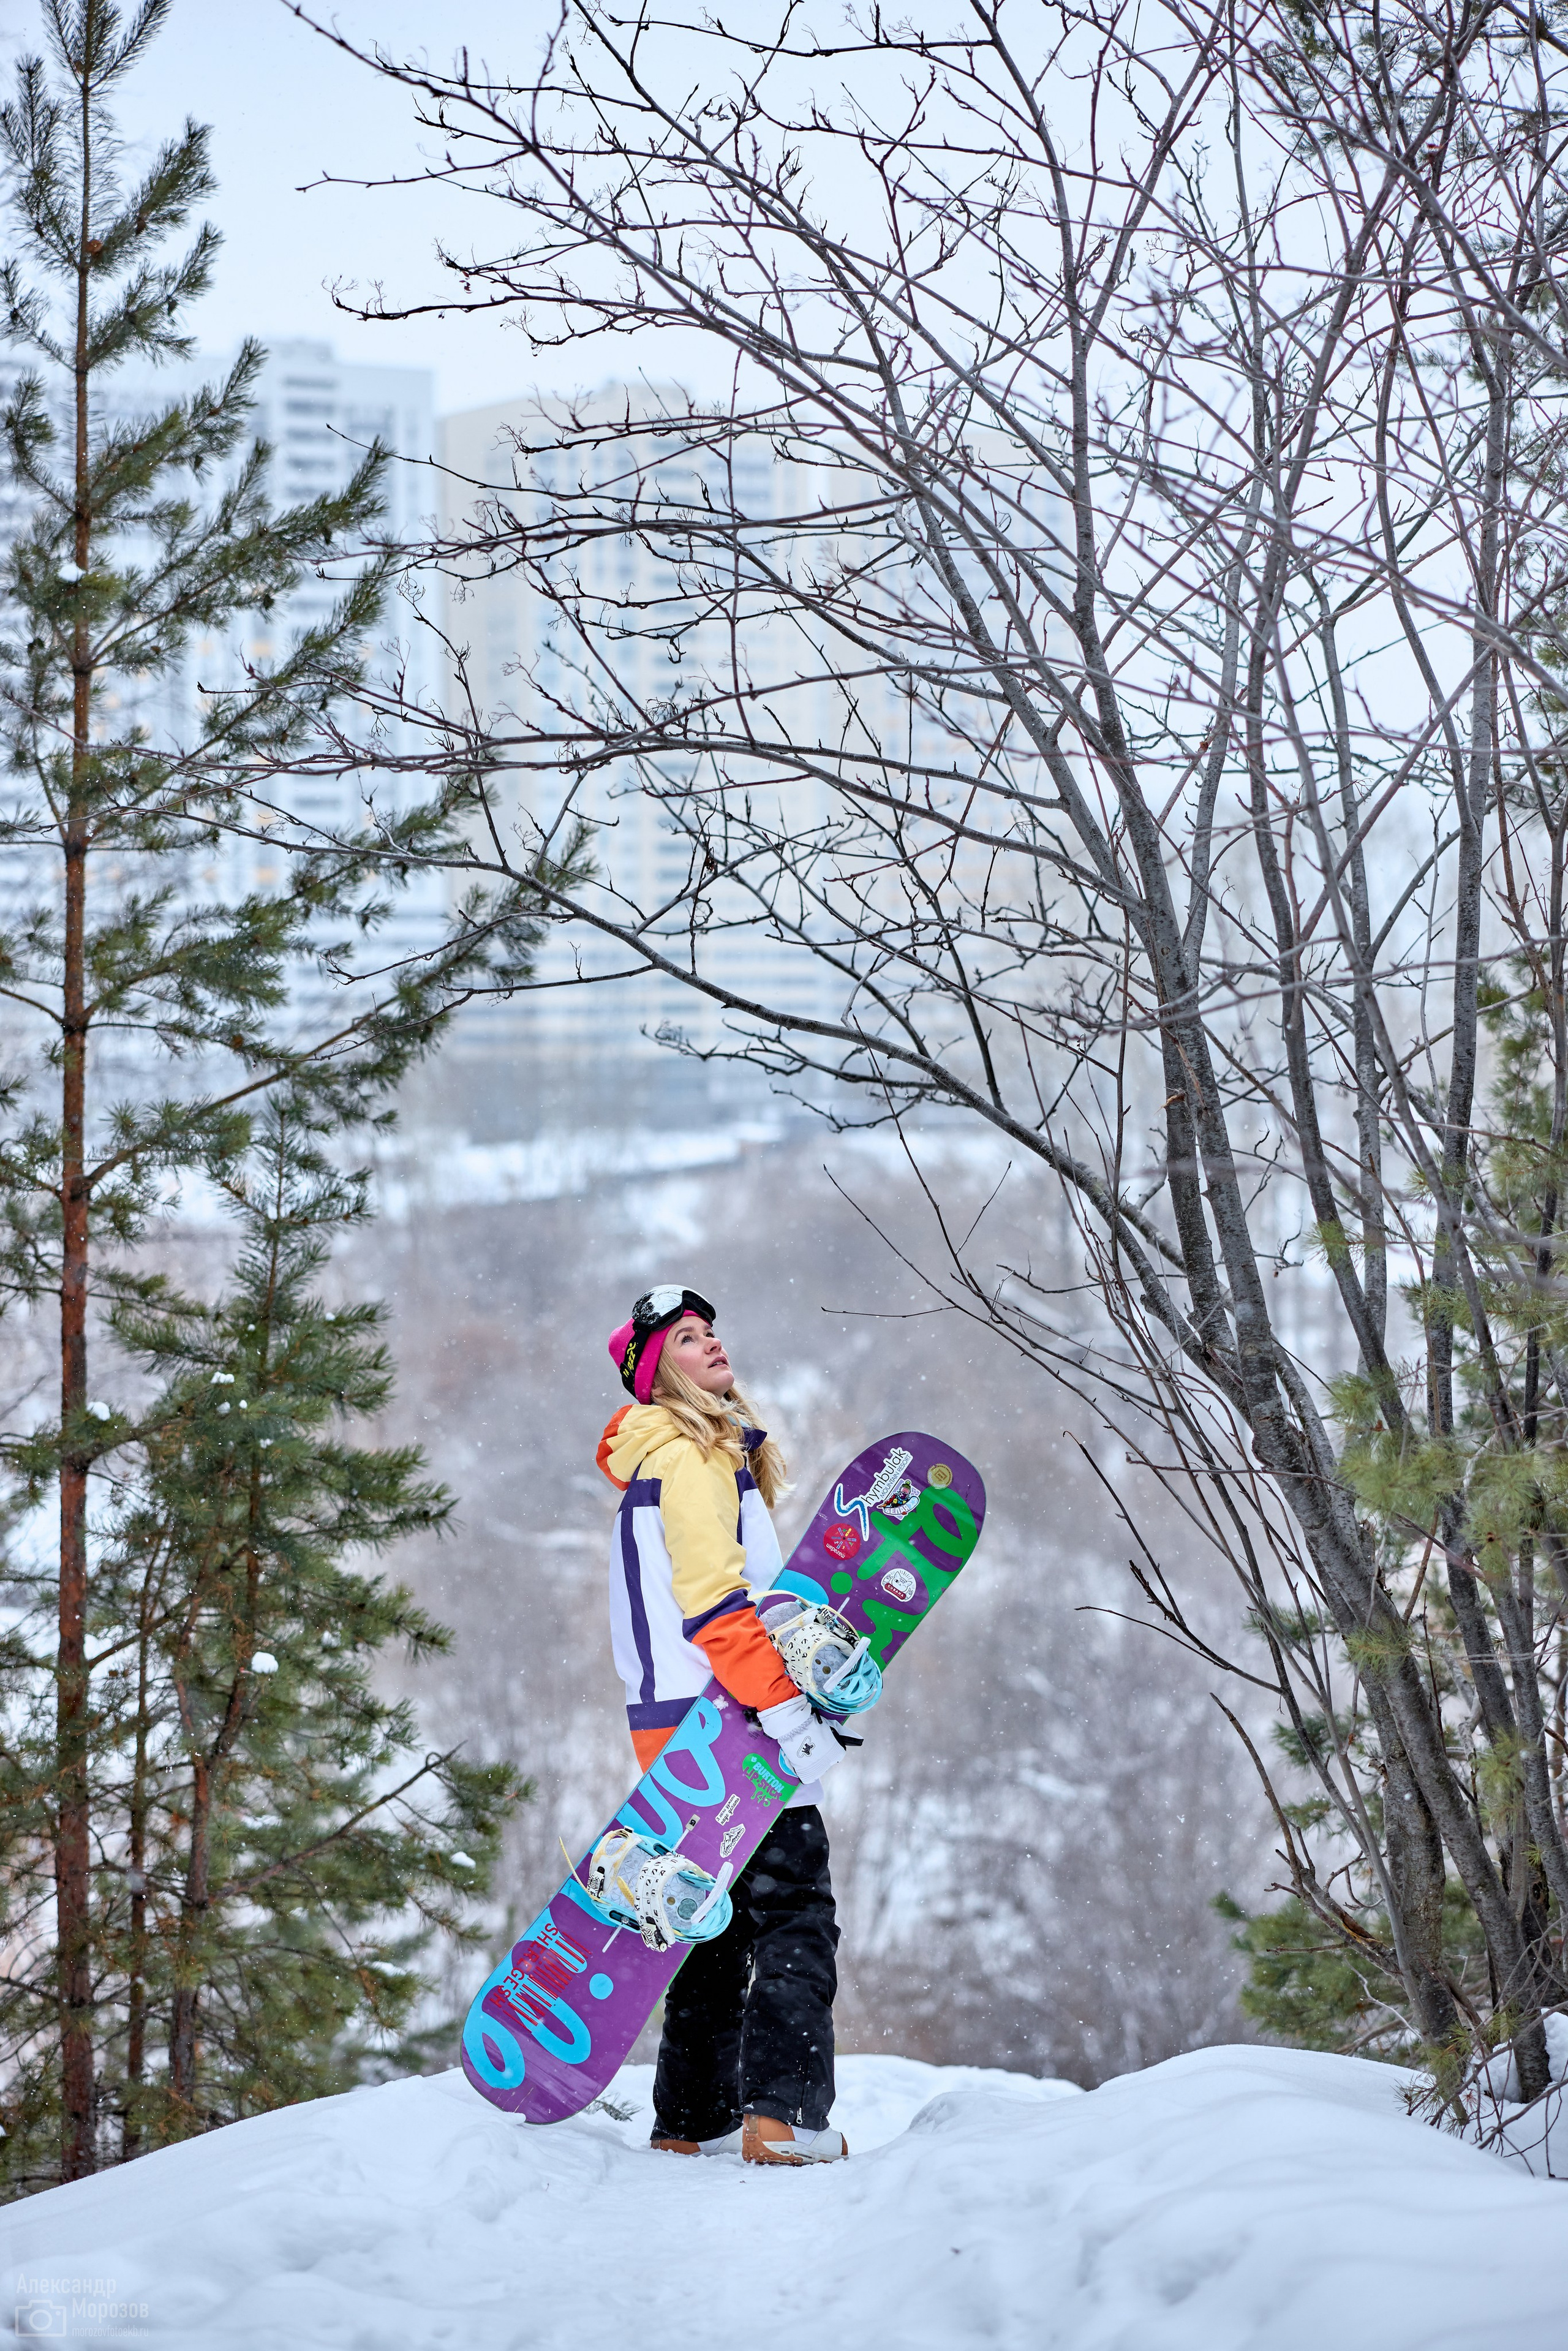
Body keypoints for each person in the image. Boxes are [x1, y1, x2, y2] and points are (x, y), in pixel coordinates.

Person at [597, 1283, 862, 2165]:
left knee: (716, 1926)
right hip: (732, 1719)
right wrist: (785, 1708)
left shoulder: (654, 1460)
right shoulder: (690, 1455)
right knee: (794, 1912)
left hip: (673, 1729)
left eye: (712, 1330)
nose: (710, 1344)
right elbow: (716, 1605)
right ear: (656, 1370)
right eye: (686, 1337)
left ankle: (690, 2119)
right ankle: (783, 2117)